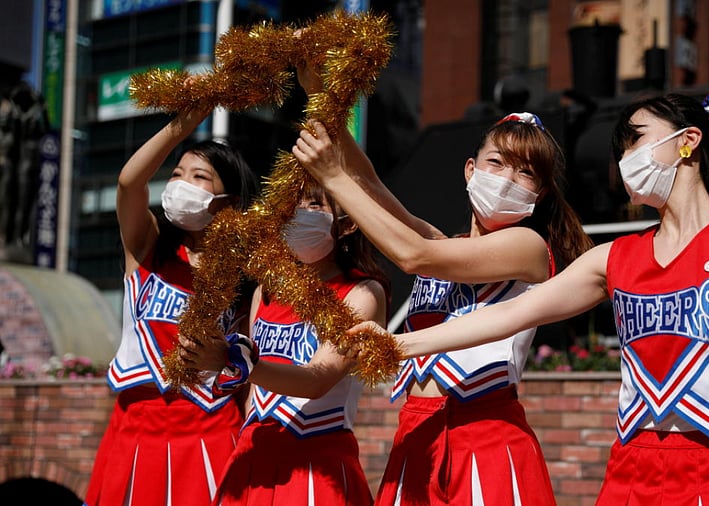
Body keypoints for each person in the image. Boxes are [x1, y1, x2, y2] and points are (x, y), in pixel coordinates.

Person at [340, 90, 709, 505]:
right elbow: (514, 312)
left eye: (635, 138)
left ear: (688, 141)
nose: (624, 157)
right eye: (620, 149)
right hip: (629, 467)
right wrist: (396, 345)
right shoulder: (615, 256)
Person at [293, 108, 593, 505]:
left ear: (539, 194)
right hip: (417, 432)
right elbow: (370, 183)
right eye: (496, 163)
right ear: (470, 170)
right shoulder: (444, 244)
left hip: (486, 436)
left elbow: (412, 256)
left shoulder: (528, 247)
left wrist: (332, 178)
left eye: (525, 172)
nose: (506, 180)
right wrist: (325, 100)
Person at [84, 102, 259, 506]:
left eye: (199, 176)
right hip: (133, 428)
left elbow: (248, 363)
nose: (181, 183)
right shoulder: (146, 246)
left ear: (227, 201)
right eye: (177, 173)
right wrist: (184, 123)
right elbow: (130, 183)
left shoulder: (246, 274)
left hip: (210, 428)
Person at [178, 178, 389, 505]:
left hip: (317, 462)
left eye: (315, 205)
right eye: (293, 204)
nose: (299, 214)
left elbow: (317, 380)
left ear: (346, 225)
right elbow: (252, 395)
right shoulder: (266, 289)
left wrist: (235, 361)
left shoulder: (363, 293)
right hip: (251, 458)